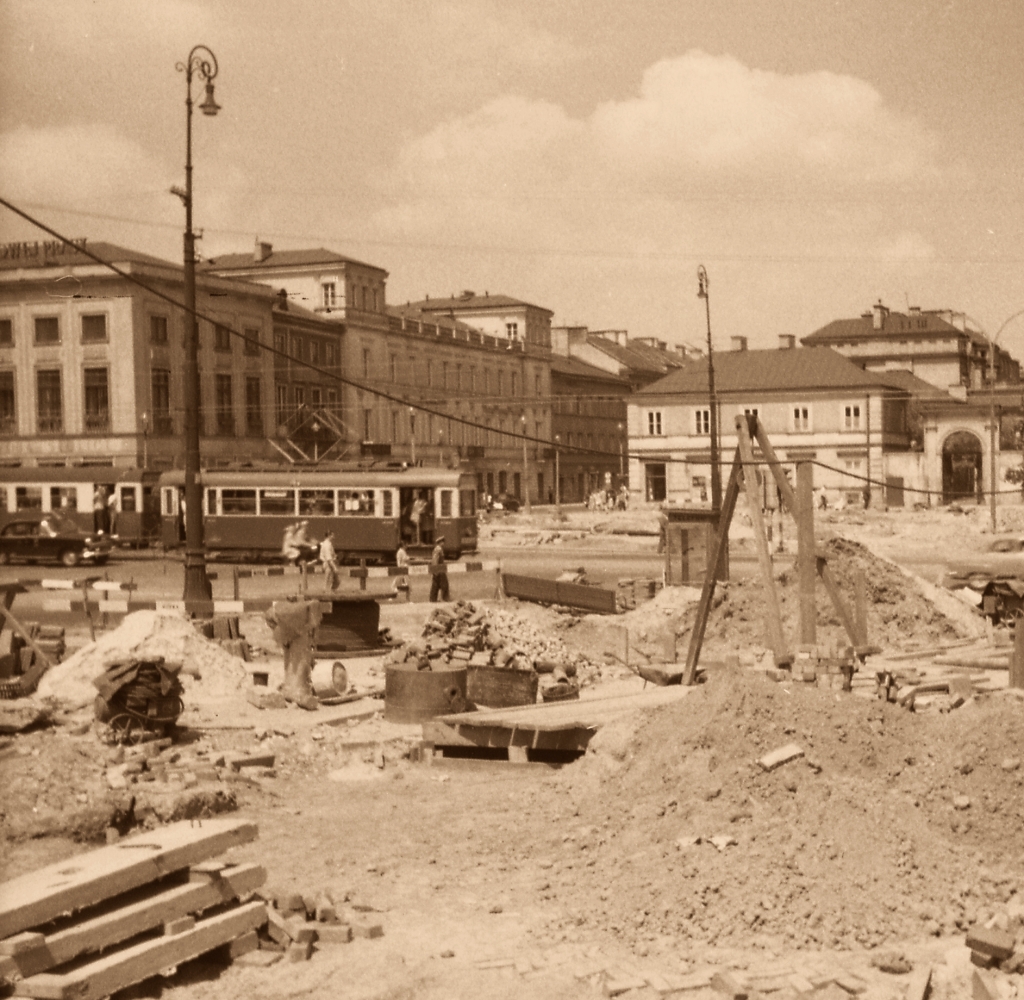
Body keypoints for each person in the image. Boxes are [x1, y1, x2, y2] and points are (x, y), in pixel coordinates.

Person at [429, 534, 450, 603]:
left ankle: (433, 599)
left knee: (435, 584)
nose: (443, 543)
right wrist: (436, 569)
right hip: (439, 569)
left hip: (438, 569)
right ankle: (444, 598)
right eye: (442, 542)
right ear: (440, 542)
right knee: (444, 584)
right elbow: (435, 559)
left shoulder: (437, 549)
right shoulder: (439, 549)